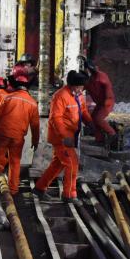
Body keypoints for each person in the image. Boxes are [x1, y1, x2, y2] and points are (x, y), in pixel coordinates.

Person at [33, 71, 92, 204]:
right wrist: (64, 136)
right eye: (79, 87)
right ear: (71, 86)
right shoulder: (60, 96)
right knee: (72, 163)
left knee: (57, 164)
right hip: (61, 138)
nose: (81, 90)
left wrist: (91, 123)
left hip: (70, 136)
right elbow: (55, 118)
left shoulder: (79, 95)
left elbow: (83, 111)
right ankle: (69, 195)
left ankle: (39, 188)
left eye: (82, 88)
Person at [0, 66, 40, 195]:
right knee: (15, 162)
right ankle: (13, 190)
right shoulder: (32, 103)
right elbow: (35, 126)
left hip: (2, 134)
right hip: (18, 137)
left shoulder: (7, 98)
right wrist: (35, 141)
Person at [82, 57, 117, 145]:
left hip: (107, 101)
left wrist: (107, 100)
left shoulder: (100, 76)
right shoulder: (89, 80)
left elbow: (107, 87)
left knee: (98, 118)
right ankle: (99, 139)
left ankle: (112, 134)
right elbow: (82, 88)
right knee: (94, 118)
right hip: (101, 102)